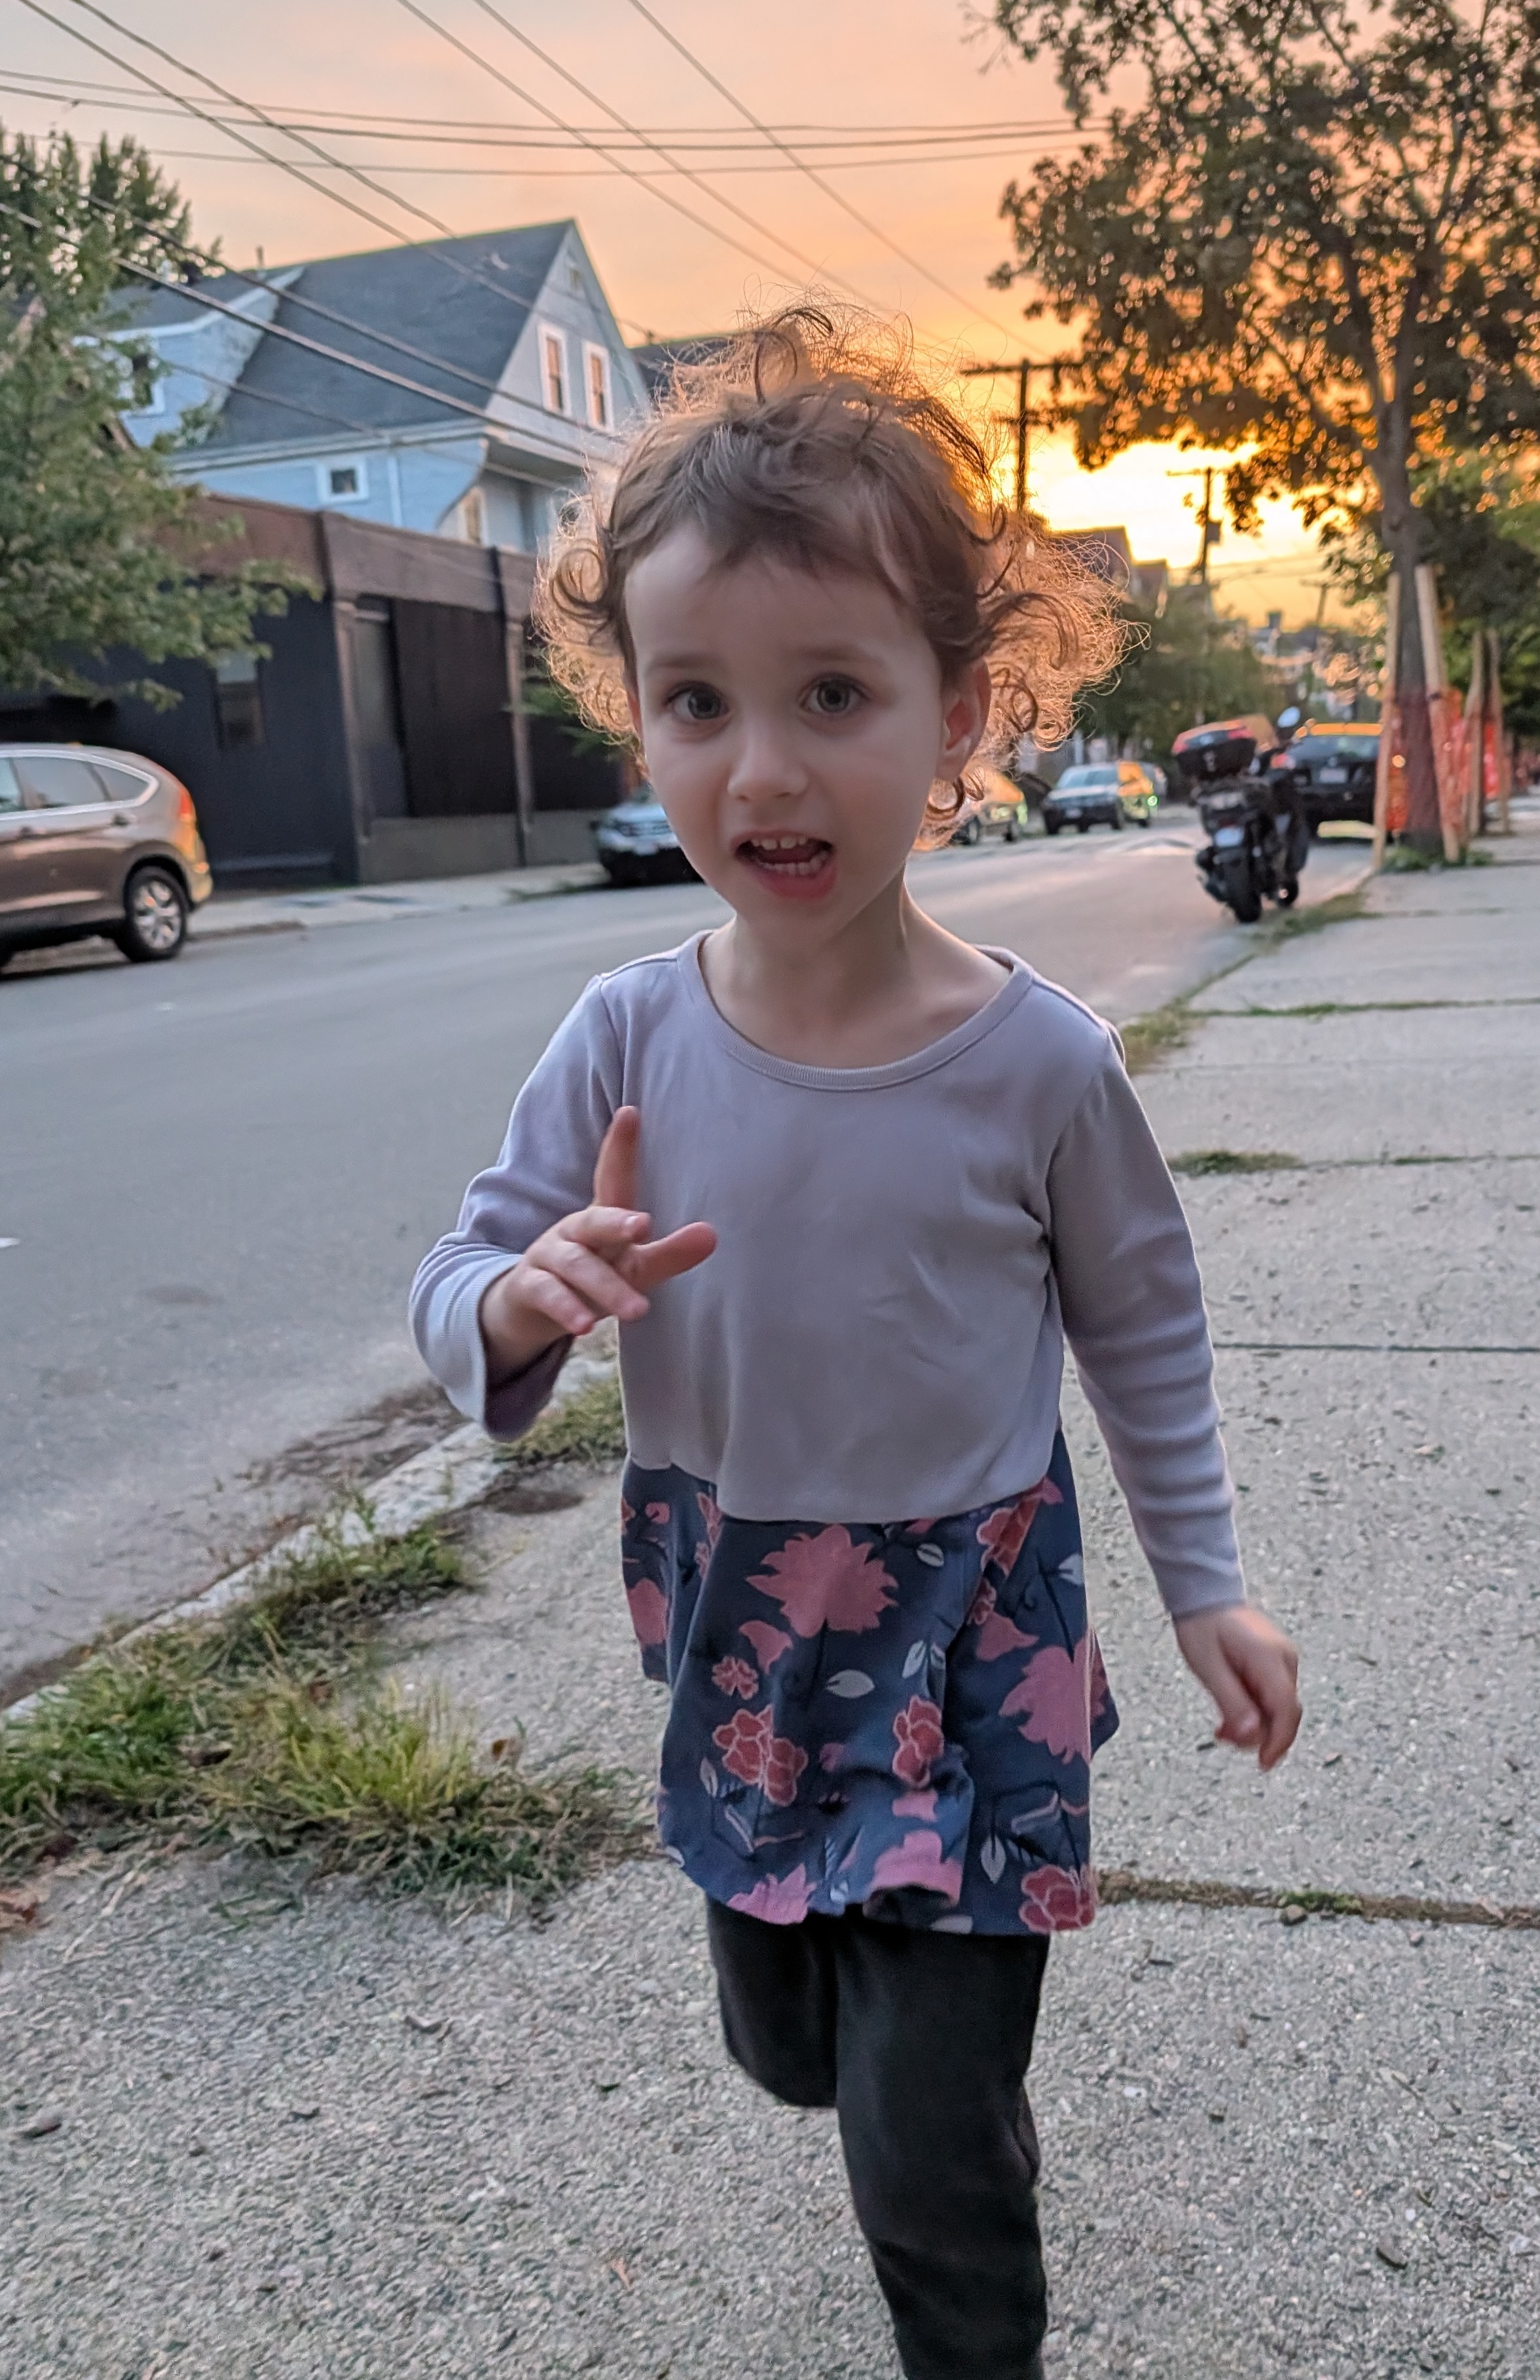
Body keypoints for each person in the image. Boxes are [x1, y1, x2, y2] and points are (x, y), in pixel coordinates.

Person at [411, 307, 1302, 2380]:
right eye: (699, 702)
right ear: (640, 722)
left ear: (955, 713)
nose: (767, 767)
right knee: (793, 2049)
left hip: (977, 1632)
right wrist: (523, 1299)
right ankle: (886, 2076)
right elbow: (459, 1274)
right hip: (742, 1627)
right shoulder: (624, 1036)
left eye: (833, 693)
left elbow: (1146, 1335)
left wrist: (1208, 1587)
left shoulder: (1038, 1066)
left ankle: (969, 2287)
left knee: (923, 2137)